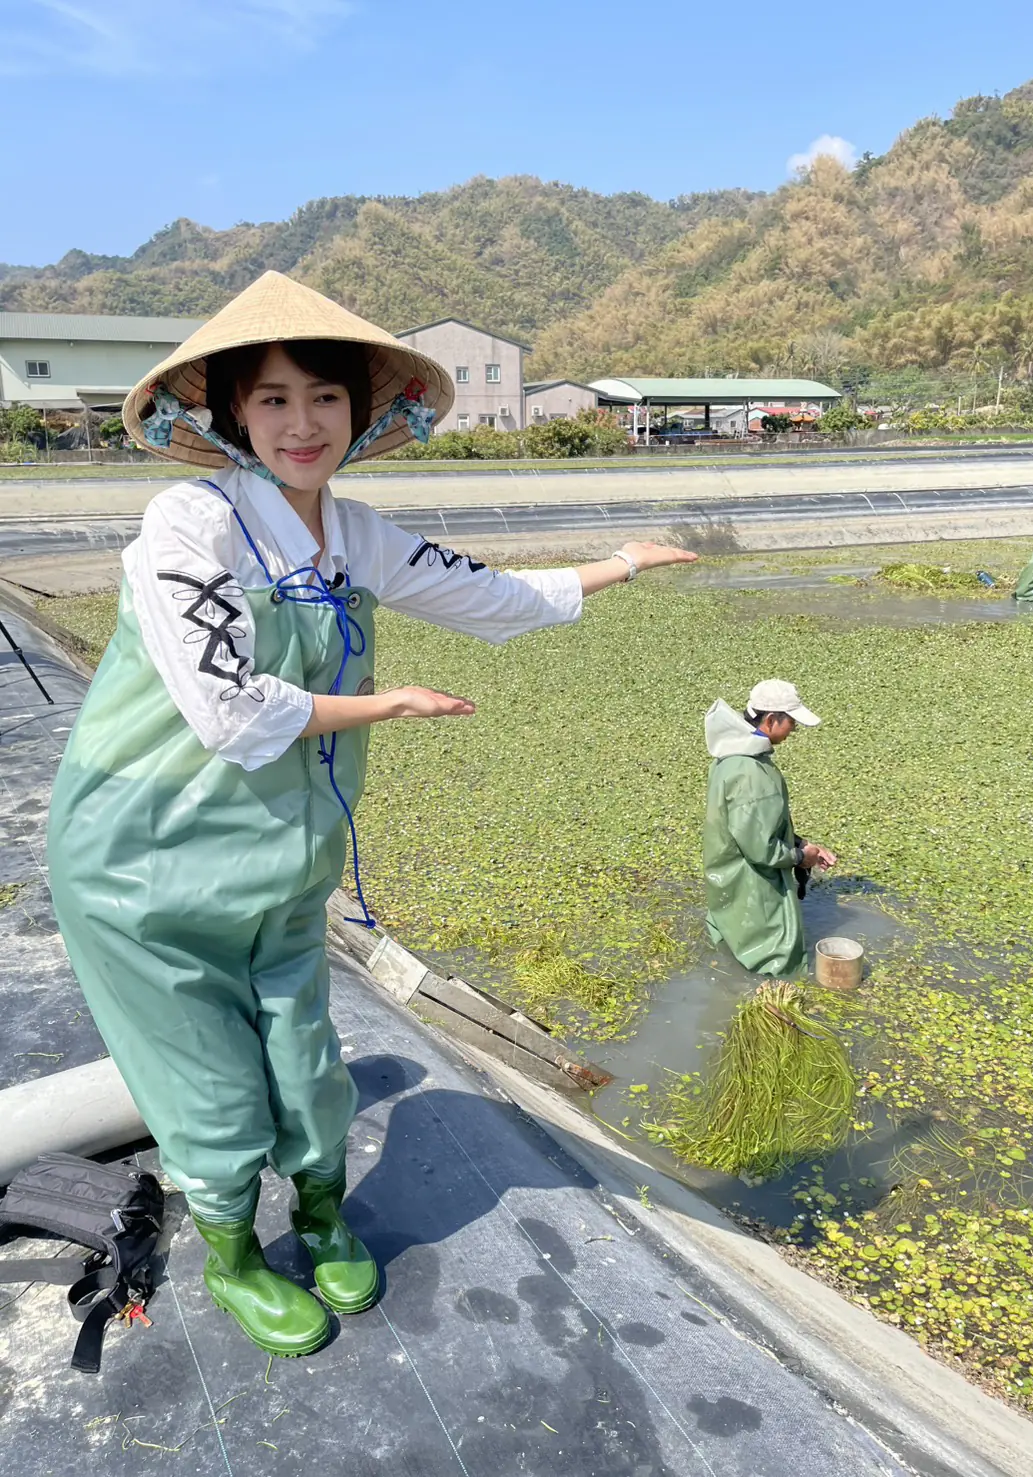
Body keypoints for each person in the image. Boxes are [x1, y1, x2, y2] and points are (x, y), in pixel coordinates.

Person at [45, 270, 696, 1359]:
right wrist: (387, 702)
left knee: (307, 1059)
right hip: (142, 867)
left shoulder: (352, 534)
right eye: (272, 400)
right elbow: (229, 709)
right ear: (228, 418)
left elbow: (490, 593)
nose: (303, 425)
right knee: (207, 1090)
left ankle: (320, 1213)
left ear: (360, 412)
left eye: (325, 399)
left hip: (278, 861)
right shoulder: (185, 525)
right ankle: (240, 1257)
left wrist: (622, 563)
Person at [703, 680, 836, 977]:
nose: (793, 730)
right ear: (771, 719)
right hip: (751, 883)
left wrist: (801, 844)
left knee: (731, 941)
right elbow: (761, 847)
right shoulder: (751, 772)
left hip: (727, 878)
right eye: (791, 722)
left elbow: (754, 824)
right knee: (777, 959)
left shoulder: (730, 756)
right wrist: (802, 858)